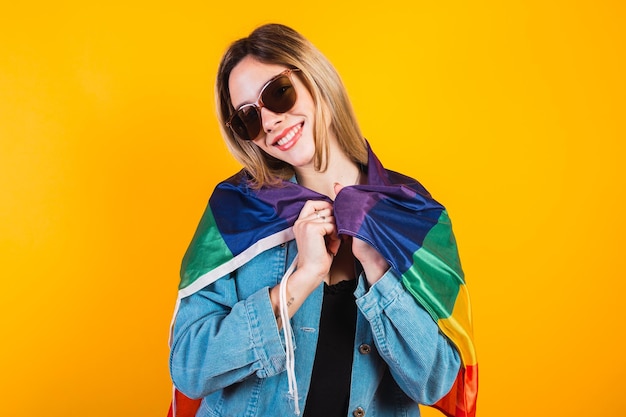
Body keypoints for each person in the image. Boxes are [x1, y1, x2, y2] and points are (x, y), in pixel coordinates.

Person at [168, 23, 478, 417]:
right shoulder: (236, 211)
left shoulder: (409, 211)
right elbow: (190, 369)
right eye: (247, 118)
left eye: (277, 93)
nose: (269, 123)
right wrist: (302, 279)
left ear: (313, 77)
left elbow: (436, 382)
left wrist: (379, 269)